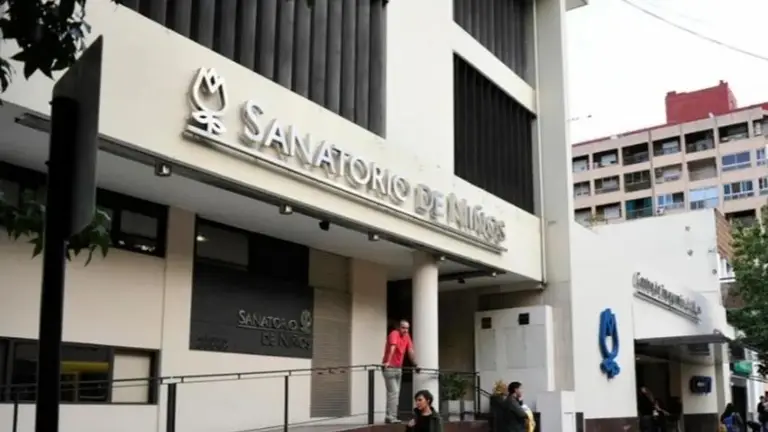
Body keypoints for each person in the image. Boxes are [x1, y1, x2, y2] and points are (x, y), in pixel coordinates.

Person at [382, 319, 417, 424]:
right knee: (394, 392)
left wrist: (415, 364)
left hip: (398, 368)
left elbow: (410, 351)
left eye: (407, 328)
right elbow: (392, 347)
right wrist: (388, 362)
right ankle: (391, 417)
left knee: (395, 393)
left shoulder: (407, 336)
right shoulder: (394, 333)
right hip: (389, 368)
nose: (405, 330)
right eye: (403, 328)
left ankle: (390, 415)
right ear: (399, 328)